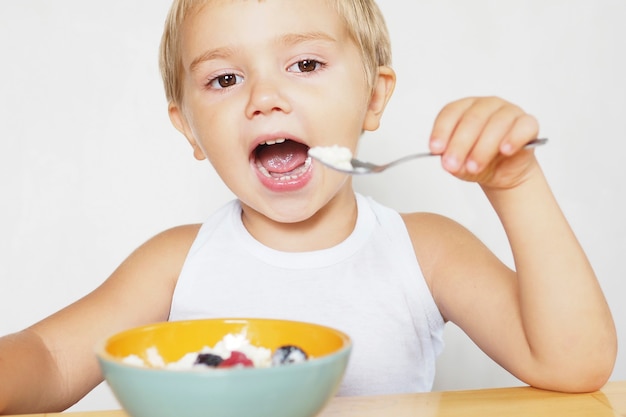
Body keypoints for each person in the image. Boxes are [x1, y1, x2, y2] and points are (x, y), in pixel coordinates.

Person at [0, 0, 617, 414]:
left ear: (374, 97)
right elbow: (51, 360)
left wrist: (514, 184)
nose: (266, 97)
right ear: (188, 129)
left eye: (306, 64)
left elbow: (574, 364)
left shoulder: (426, 251)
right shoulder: (174, 264)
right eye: (223, 79)